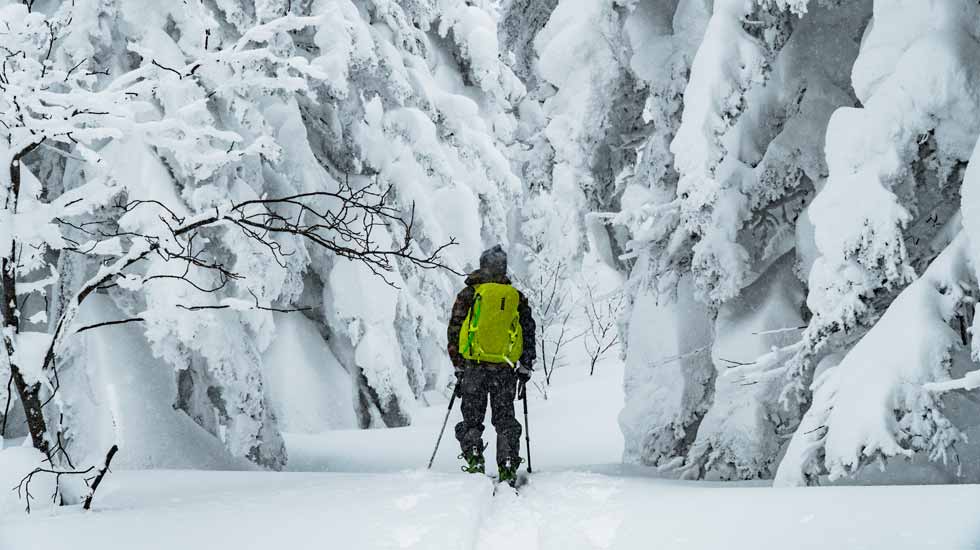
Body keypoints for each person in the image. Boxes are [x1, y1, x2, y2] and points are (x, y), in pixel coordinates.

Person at [447, 245, 536, 484]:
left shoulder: (469, 294)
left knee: (472, 418)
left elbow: (454, 329)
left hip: (474, 367)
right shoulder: (515, 296)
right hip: (504, 368)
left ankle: (474, 456)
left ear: (482, 264)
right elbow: (528, 330)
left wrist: (458, 364)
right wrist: (525, 364)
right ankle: (507, 461)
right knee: (505, 418)